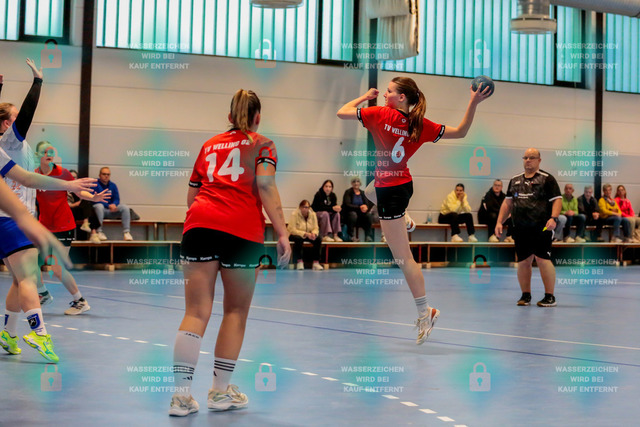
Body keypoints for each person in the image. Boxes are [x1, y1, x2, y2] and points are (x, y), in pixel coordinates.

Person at [337, 76, 490, 344]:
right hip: (402, 184)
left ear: (402, 98)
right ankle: (404, 218)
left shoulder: (379, 114)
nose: (384, 94)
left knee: (403, 259)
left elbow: (342, 112)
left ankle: (425, 311)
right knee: (370, 191)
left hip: (390, 192)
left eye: (389, 91)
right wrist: (473, 102)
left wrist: (365, 97)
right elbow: (461, 131)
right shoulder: (420, 124)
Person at [169, 89, 291, 417]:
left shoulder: (209, 145)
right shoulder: (263, 144)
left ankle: (181, 397)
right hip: (242, 231)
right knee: (235, 311)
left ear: (229, 117)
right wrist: (282, 232)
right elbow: (265, 185)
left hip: (199, 226)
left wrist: (204, 218)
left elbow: (192, 196)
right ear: (258, 117)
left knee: (195, 312)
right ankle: (220, 392)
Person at [0, 59, 96, 361]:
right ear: (7, 124)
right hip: (12, 221)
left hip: (9, 221)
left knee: (19, 280)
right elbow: (27, 116)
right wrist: (38, 82)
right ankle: (39, 333)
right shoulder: (10, 142)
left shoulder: (12, 147)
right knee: (29, 278)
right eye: (14, 117)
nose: (20, 121)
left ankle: (8, 333)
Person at [34, 141, 110, 313]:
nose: (48, 154)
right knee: (31, 262)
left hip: (63, 226)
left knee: (57, 269)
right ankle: (43, 294)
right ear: (37, 155)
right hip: (44, 227)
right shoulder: (34, 175)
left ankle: (80, 301)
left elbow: (78, 191)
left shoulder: (63, 173)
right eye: (44, 151)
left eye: (51, 151)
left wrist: (93, 197)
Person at [496, 148, 561, 307]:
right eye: (525, 157)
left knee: (542, 259)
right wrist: (499, 222)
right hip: (520, 228)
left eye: (532, 157)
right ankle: (525, 295)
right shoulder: (515, 180)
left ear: (539, 160)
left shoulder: (547, 179)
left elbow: (557, 200)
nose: (528, 160)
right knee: (523, 261)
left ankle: (550, 296)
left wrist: (553, 218)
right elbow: (508, 203)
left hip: (542, 227)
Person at [93, 166, 133, 241]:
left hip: (111, 211)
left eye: (108, 174)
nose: (106, 176)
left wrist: (114, 204)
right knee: (99, 206)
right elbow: (93, 199)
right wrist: (108, 205)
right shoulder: (94, 184)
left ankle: (126, 232)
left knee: (124, 207)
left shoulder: (113, 185)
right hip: (99, 211)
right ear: (99, 175)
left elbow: (117, 199)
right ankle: (99, 232)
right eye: (104, 174)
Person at [288, 200, 324, 270]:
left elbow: (316, 227)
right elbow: (292, 229)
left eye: (307, 207)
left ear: (309, 208)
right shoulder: (294, 214)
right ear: (300, 207)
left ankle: (316, 262)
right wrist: (305, 234)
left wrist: (314, 233)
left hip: (308, 234)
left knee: (318, 239)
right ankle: (299, 262)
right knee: (298, 239)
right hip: (295, 234)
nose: (305, 209)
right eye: (303, 207)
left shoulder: (313, 214)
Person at [68, 169, 102, 242]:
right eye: (71, 177)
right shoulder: (65, 189)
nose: (73, 179)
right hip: (69, 212)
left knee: (88, 204)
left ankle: (88, 225)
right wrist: (75, 204)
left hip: (80, 211)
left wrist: (93, 197)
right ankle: (93, 232)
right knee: (88, 205)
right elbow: (65, 205)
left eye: (75, 177)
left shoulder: (79, 188)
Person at [341, 176, 374, 242]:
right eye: (354, 182)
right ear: (352, 183)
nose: (356, 183)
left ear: (360, 183)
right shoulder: (348, 192)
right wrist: (360, 207)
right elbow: (347, 205)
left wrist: (365, 208)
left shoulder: (363, 193)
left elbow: (367, 204)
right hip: (350, 215)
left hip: (361, 215)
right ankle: (351, 236)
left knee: (368, 215)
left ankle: (368, 236)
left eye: (357, 181)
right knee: (353, 214)